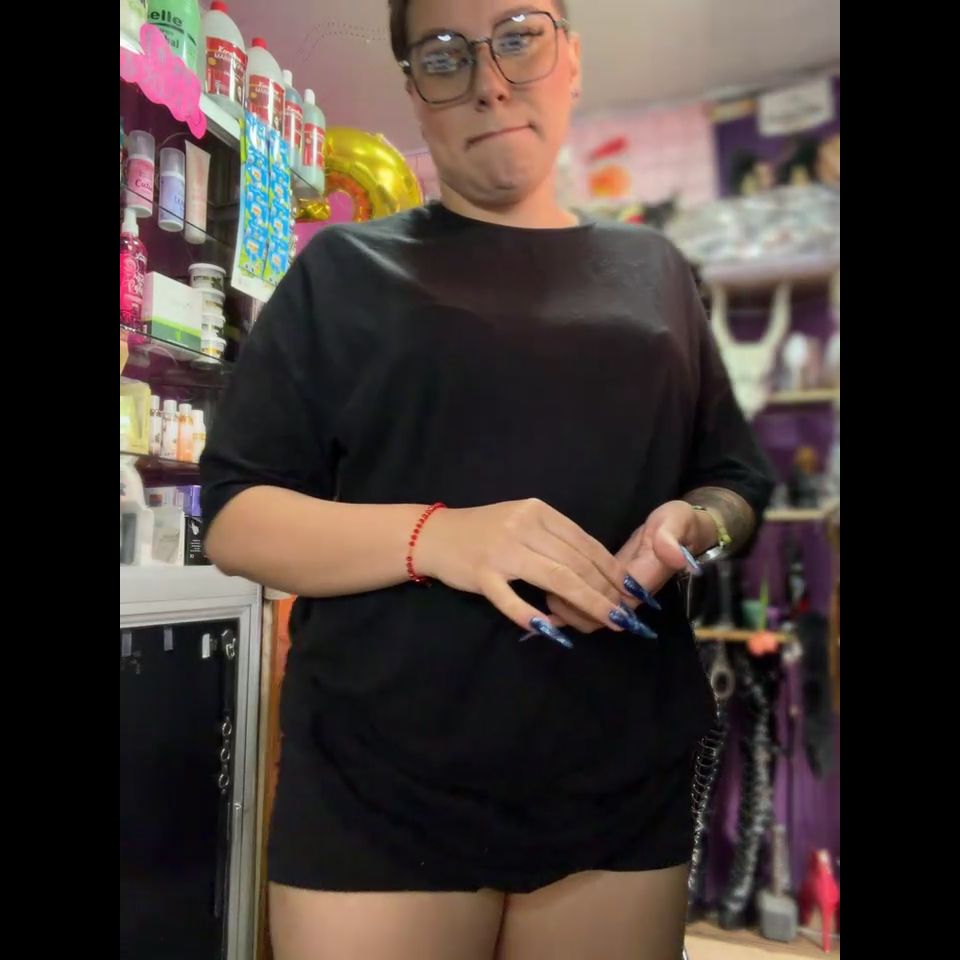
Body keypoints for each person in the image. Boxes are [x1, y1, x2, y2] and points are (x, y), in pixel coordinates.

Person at [200, 2, 775, 957]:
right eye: (444, 55)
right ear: (415, 93)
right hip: (380, 788)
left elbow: (734, 481)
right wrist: (443, 537)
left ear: (570, 59)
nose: (490, 83)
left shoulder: (658, 273)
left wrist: (692, 524)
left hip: (621, 772)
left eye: (518, 36)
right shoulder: (341, 270)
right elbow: (235, 515)